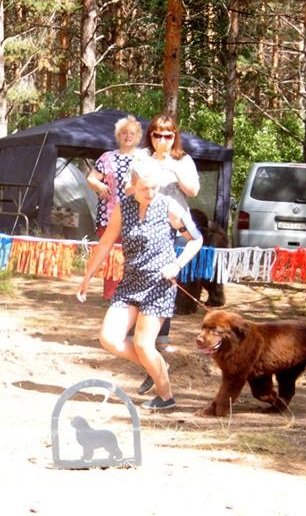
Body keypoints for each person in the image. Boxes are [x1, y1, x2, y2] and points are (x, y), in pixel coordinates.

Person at [77, 157, 203, 410]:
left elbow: (196, 240)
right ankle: (156, 366)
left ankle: (166, 397)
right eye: (144, 188)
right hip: (130, 283)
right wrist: (88, 276)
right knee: (109, 338)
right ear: (132, 185)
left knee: (143, 344)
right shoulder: (123, 207)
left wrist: (177, 265)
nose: (150, 192)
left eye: (154, 187)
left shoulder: (169, 207)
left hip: (159, 285)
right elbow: (105, 243)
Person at [131, 114, 200, 395]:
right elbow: (127, 187)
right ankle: (152, 356)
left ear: (175, 137)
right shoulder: (140, 157)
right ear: (150, 136)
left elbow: (193, 191)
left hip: (173, 223)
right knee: (140, 279)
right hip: (144, 220)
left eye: (168, 135)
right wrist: (147, 182)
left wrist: (171, 167)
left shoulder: (183, 159)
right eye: (157, 135)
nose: (162, 140)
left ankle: (159, 344)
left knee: (163, 278)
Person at [87, 115, 143, 300]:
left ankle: (131, 293)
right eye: (124, 133)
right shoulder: (107, 157)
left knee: (132, 254)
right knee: (111, 254)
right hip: (108, 215)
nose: (128, 136)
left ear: (138, 136)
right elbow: (91, 178)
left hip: (136, 215)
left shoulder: (144, 158)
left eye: (132, 133)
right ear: (118, 135)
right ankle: (111, 295)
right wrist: (100, 186)